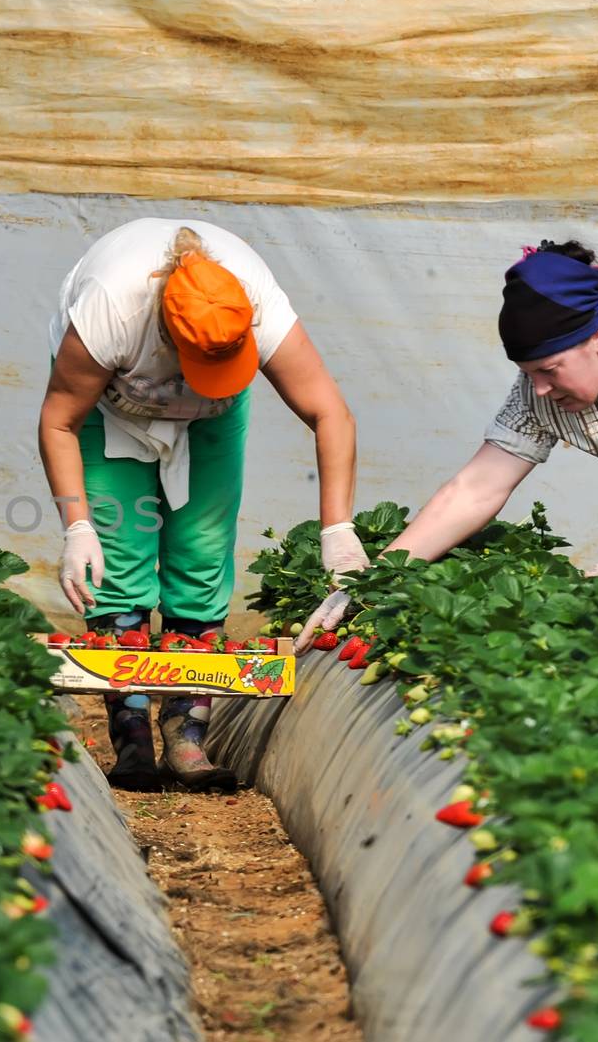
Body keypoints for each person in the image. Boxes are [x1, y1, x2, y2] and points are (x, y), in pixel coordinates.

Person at [38, 219, 365, 791]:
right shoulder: (112, 308)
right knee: (116, 554)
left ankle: (188, 735)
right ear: (167, 335)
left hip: (211, 419)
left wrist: (338, 528)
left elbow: (329, 412)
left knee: (202, 549)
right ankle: (133, 736)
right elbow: (60, 419)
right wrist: (77, 526)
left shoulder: (256, 304)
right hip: (111, 410)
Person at [296, 240, 598, 661]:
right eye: (528, 373)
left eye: (549, 370)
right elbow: (477, 488)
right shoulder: (541, 389)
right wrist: (374, 581)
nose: (539, 388)